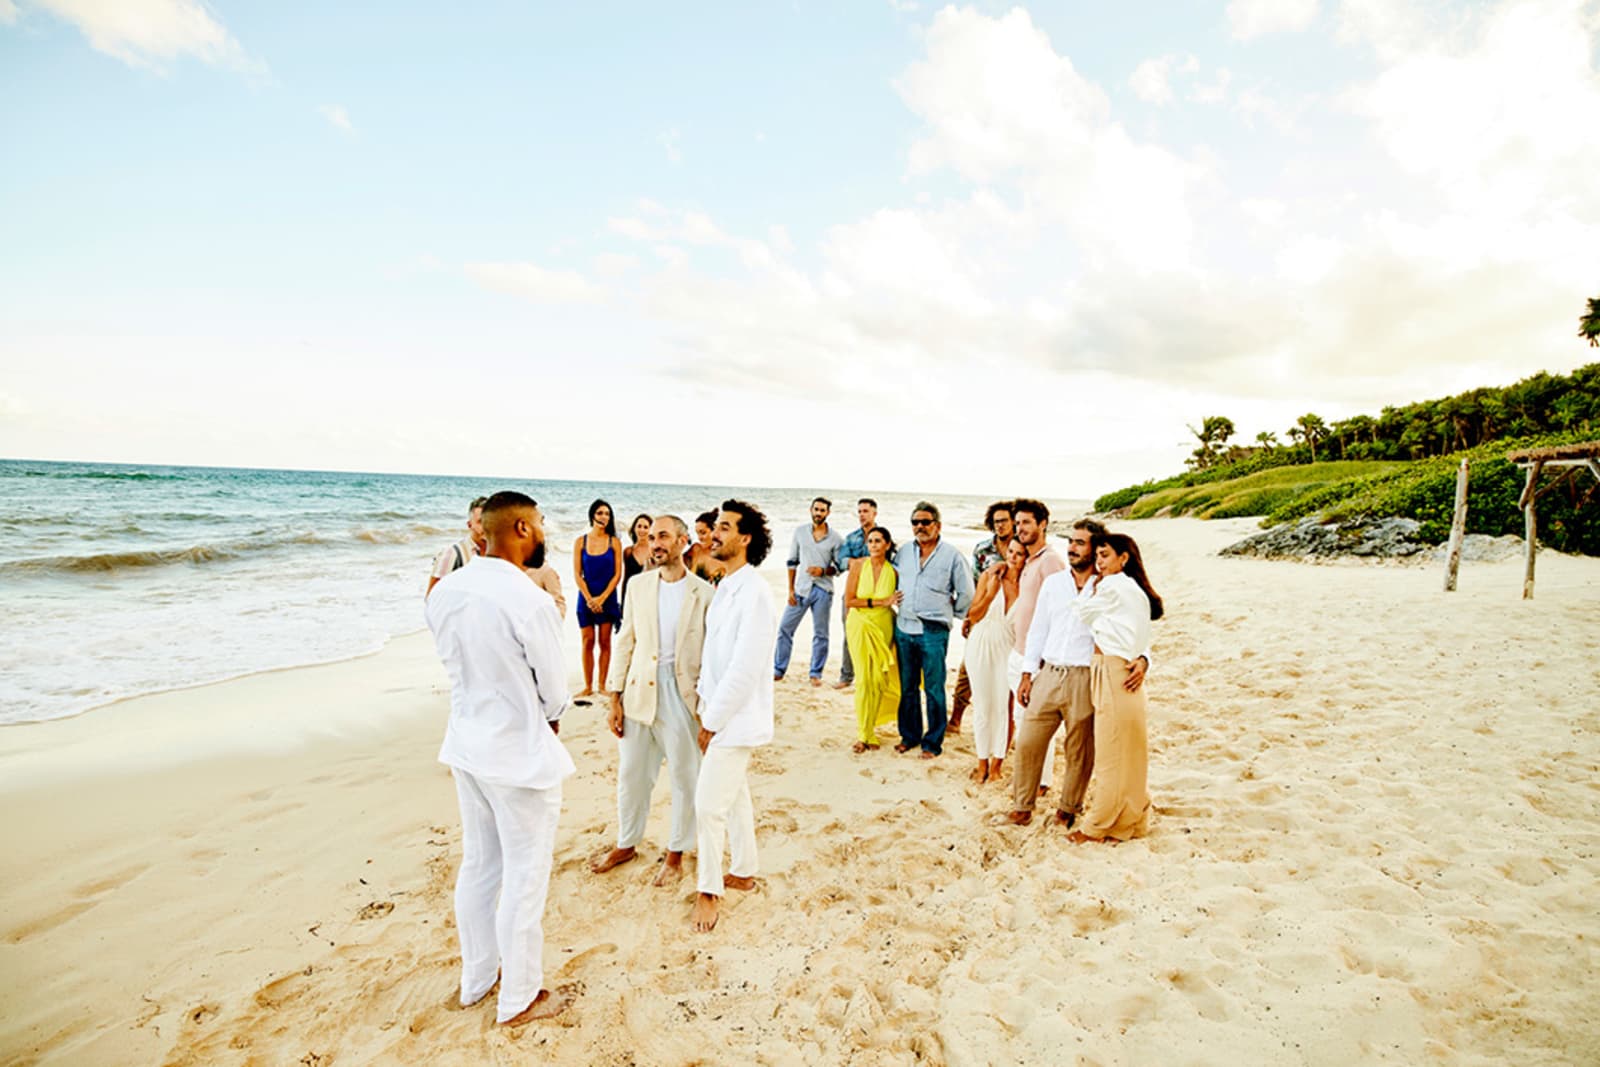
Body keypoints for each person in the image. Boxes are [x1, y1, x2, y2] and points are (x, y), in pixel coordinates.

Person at [424, 490, 574, 1025]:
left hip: (467, 744)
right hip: (516, 755)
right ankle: (519, 997)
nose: (541, 535)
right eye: (536, 526)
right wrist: (549, 717)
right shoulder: (527, 599)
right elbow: (555, 690)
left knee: (481, 864)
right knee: (525, 873)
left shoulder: (445, 592)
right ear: (516, 530)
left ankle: (477, 977)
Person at [593, 515, 714, 885]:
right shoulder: (638, 586)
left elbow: (711, 656)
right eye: (651, 537)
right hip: (637, 690)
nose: (655, 542)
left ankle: (676, 851)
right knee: (632, 774)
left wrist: (708, 710)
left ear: (682, 541)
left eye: (663, 536)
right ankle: (627, 842)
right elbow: (625, 639)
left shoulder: (704, 593)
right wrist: (615, 698)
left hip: (682, 693)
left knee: (684, 775)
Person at [1007, 519, 1149, 827]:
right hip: (1049, 672)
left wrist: (1144, 658)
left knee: (1080, 750)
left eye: (1080, 543)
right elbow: (1038, 630)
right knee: (1029, 741)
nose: (1071, 547)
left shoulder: (1110, 584)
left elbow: (1136, 626)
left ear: (1096, 549)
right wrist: (1028, 673)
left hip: (1087, 677)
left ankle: (1067, 810)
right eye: (1070, 541)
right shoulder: (1054, 583)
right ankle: (1022, 807)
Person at [692, 499, 776, 932]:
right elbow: (715, 659)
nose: (714, 534)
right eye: (715, 526)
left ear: (745, 539)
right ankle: (744, 869)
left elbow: (746, 667)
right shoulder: (725, 585)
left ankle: (709, 891)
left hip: (735, 718)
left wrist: (713, 720)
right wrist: (702, 704)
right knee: (735, 796)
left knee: (707, 806)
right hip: (716, 711)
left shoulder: (756, 593)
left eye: (724, 527)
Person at [1067, 532, 1163, 844]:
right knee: (1129, 753)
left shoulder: (1111, 585)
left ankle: (1097, 826)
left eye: (1105, 555)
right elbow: (1142, 631)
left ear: (1124, 558)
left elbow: (1081, 612)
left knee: (1110, 753)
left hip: (1111, 671)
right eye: (1097, 556)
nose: (1098, 562)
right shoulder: (1133, 588)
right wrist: (1144, 657)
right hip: (1120, 669)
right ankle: (1131, 821)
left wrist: (1092, 584)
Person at [890, 502, 973, 759]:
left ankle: (932, 743)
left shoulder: (951, 555)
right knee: (908, 687)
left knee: (934, 688)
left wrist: (952, 613)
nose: (920, 527)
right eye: (915, 522)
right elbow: (890, 577)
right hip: (904, 628)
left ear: (938, 525)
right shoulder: (904, 552)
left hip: (933, 631)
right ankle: (910, 736)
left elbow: (967, 592)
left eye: (925, 522)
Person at [1006, 498, 1067, 792]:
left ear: (1043, 524)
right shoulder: (1030, 560)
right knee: (1022, 720)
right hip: (1020, 653)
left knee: (1038, 722)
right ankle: (1032, 778)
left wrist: (1042, 659)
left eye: (1027, 522)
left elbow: (1062, 609)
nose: (1020, 528)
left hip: (1038, 658)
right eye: (1018, 523)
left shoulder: (1050, 560)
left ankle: (1042, 782)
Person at [951, 500, 1014, 731]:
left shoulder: (1022, 549)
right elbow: (974, 586)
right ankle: (956, 718)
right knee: (968, 666)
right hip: (984, 614)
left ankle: (1007, 725)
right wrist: (970, 616)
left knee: (1008, 670)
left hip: (1012, 616)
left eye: (1004, 521)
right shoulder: (982, 549)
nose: (1000, 526)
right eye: (996, 521)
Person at [965, 538, 1024, 783]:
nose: (1013, 557)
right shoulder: (989, 577)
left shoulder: (1029, 586)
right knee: (982, 703)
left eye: (1020, 553)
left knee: (1004, 706)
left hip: (1008, 647)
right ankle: (981, 762)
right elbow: (973, 615)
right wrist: (990, 594)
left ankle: (997, 764)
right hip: (980, 642)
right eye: (1010, 551)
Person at [774, 497, 844, 687]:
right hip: (801, 589)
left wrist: (823, 571)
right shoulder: (800, 532)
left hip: (823, 591)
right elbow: (792, 561)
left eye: (822, 510)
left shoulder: (836, 538)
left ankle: (815, 673)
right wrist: (790, 589)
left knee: (821, 634)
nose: (818, 513)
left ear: (828, 513)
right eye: (816, 509)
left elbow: (840, 567)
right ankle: (778, 669)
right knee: (785, 628)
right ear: (810, 510)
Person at [842, 525, 900, 752]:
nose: (874, 545)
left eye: (878, 541)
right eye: (871, 541)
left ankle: (872, 729)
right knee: (864, 680)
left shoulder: (894, 572)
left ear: (887, 544)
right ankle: (863, 733)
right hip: (860, 624)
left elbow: (899, 599)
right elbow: (850, 600)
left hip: (884, 625)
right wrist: (882, 602)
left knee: (878, 680)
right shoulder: (858, 565)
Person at [573, 499, 625, 698]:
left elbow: (617, 574)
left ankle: (602, 685)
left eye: (607, 514)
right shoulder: (580, 541)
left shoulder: (614, 542)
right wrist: (589, 598)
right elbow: (577, 574)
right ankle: (588, 686)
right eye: (600, 513)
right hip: (586, 597)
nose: (604, 517)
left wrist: (602, 599)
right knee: (587, 641)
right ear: (592, 515)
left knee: (605, 642)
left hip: (608, 597)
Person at [832, 498, 878, 690]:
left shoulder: (883, 536)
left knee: (875, 635)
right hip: (853, 591)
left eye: (865, 511)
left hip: (876, 592)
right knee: (850, 633)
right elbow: (840, 562)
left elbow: (891, 562)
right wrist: (856, 562)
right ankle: (846, 675)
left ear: (874, 513)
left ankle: (871, 676)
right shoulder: (851, 538)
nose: (861, 515)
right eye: (859, 511)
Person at [426, 496, 488, 596]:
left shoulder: (498, 554)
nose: (486, 526)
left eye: (490, 521)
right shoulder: (452, 553)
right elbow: (431, 597)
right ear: (469, 525)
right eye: (480, 522)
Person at [620, 513, 653, 607]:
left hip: (652, 599)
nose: (642, 530)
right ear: (634, 528)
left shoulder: (656, 552)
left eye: (646, 527)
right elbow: (626, 579)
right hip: (634, 599)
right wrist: (623, 605)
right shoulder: (628, 552)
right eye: (639, 526)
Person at [686, 509, 724, 584]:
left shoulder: (728, 558)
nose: (699, 538)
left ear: (715, 531)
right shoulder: (696, 550)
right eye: (697, 533)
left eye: (703, 533)